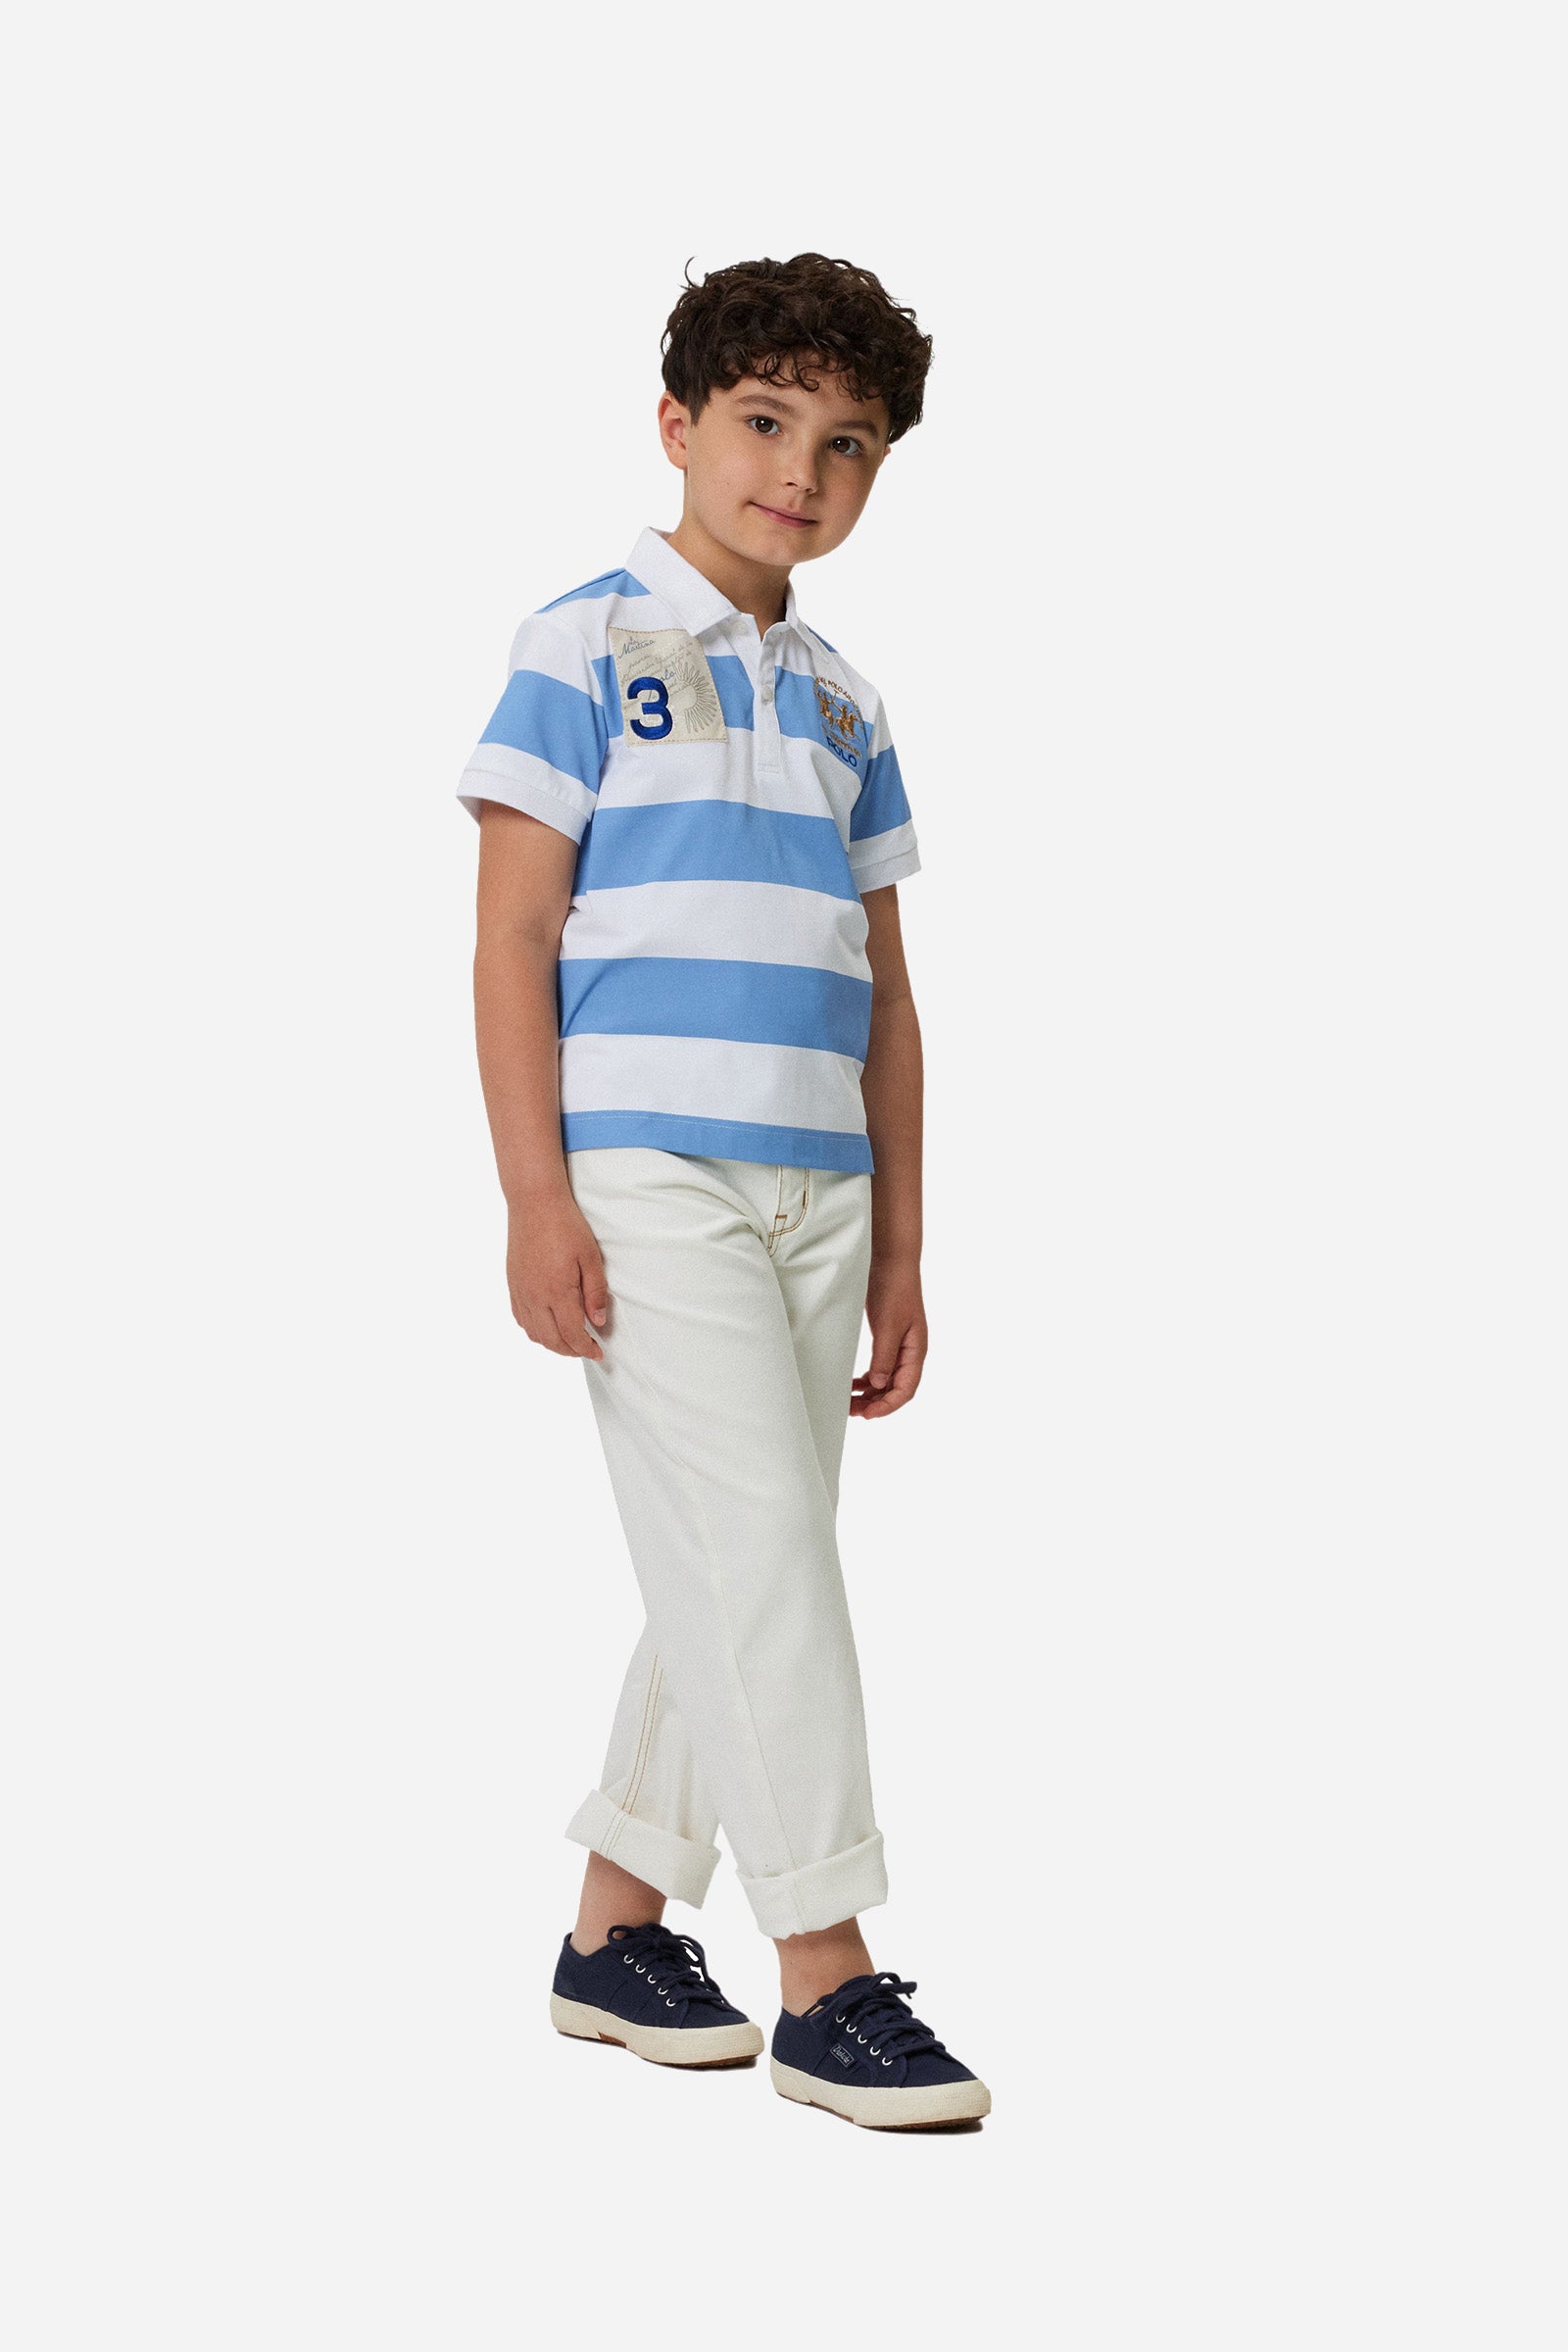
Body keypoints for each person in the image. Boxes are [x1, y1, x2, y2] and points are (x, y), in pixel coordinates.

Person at [458, 254, 989, 2130]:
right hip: (648, 1166)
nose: (801, 472)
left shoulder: (846, 701)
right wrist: (537, 1199)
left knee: (747, 1556)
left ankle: (613, 1934)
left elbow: (888, 991)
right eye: (766, 423)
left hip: (820, 1183)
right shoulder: (581, 644)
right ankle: (826, 1975)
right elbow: (512, 934)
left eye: (849, 445)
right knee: (760, 1552)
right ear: (678, 425)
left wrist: (904, 1243)